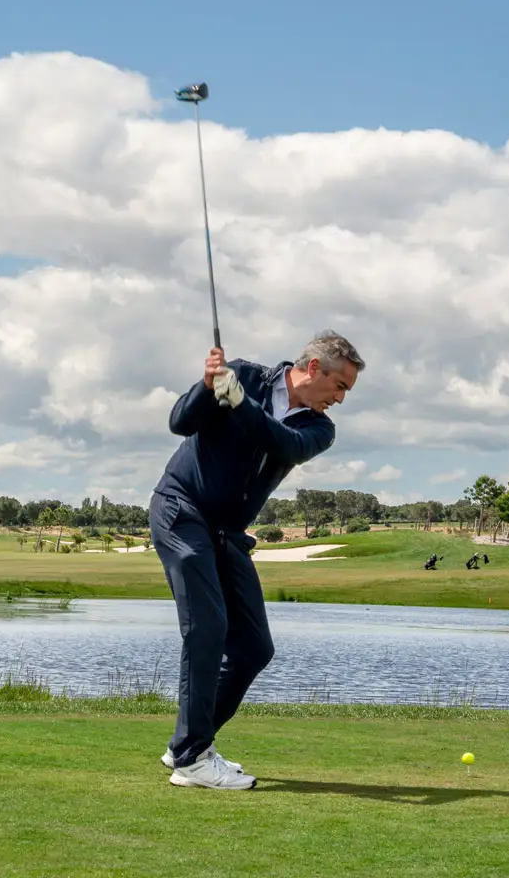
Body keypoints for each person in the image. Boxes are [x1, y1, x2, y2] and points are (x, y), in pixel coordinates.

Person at [147, 329, 364, 790]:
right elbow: (180, 423)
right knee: (207, 627)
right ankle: (191, 760)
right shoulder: (243, 374)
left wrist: (240, 403)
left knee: (253, 648)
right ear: (311, 368)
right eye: (340, 386)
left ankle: (187, 743)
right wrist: (207, 388)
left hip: (227, 533)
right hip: (181, 509)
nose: (341, 398)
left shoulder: (318, 427)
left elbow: (282, 444)